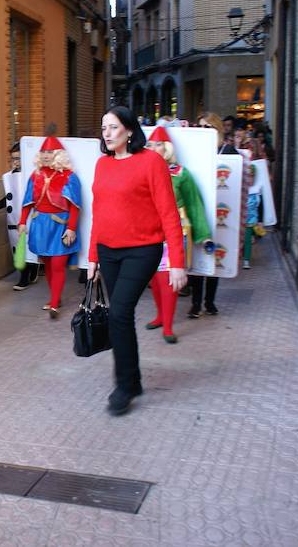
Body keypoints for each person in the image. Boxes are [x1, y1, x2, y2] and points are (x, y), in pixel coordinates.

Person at [88, 106, 186, 415]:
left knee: (118, 311)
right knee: (122, 315)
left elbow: (169, 212)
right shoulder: (102, 165)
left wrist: (178, 262)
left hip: (143, 249)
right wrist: (92, 256)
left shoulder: (151, 162)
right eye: (104, 127)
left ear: (130, 131)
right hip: (108, 249)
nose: (107, 133)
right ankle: (134, 378)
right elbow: (99, 212)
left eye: (113, 127)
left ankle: (125, 384)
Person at [144, 126, 212, 343]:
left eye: (157, 144)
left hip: (174, 233)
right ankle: (160, 316)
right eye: (149, 144)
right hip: (148, 232)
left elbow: (194, 205)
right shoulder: (142, 170)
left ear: (167, 148)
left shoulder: (181, 174)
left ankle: (169, 326)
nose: (152, 148)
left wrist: (204, 235)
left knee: (168, 279)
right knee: (153, 279)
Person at [19, 135, 82, 319]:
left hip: (60, 227)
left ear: (58, 154)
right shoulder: (36, 175)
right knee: (47, 263)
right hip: (40, 226)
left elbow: (75, 206)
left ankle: (54, 304)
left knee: (57, 265)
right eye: (44, 152)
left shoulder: (69, 177)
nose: (46, 155)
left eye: (50, 152)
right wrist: (23, 222)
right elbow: (27, 202)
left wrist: (71, 228)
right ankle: (56, 297)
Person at [189, 111, 240, 316]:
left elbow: (235, 181)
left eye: (207, 127)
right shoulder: (194, 152)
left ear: (216, 129)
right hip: (199, 211)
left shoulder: (228, 151)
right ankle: (195, 302)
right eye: (200, 127)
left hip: (221, 210)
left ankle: (209, 301)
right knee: (197, 255)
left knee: (215, 255)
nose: (203, 131)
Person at [0, 143, 41, 290]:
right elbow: (9, 197)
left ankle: (27, 275)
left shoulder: (32, 176)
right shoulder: (10, 177)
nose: (16, 162)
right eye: (13, 159)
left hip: (29, 219)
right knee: (17, 248)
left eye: (18, 158)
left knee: (27, 247)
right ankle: (26, 274)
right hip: (13, 219)